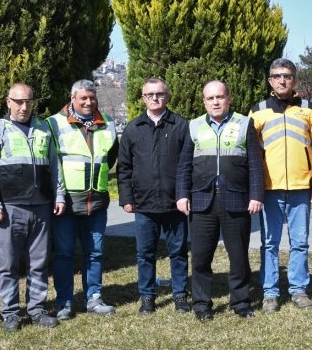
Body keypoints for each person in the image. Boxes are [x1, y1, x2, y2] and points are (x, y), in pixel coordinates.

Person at [176, 80, 264, 321]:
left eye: (220, 97)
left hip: (236, 200)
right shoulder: (193, 126)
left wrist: (256, 195)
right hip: (202, 201)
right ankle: (202, 304)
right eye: (210, 98)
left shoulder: (245, 123)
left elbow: (255, 164)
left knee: (239, 257)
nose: (215, 101)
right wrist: (182, 194)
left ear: (229, 98)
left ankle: (241, 302)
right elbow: (184, 164)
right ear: (204, 101)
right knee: (201, 258)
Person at [248, 58, 312, 313]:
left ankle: (298, 289)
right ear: (270, 80)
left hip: (301, 187)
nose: (282, 80)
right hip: (269, 190)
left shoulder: (309, 109)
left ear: (295, 80)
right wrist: (255, 188)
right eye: (277, 76)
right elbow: (250, 155)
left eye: (287, 76)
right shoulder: (258, 110)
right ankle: (270, 293)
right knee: (269, 243)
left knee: (300, 242)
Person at [0, 83, 60, 331]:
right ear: (8, 102)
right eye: (18, 102)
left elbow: (54, 166)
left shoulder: (43, 128)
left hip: (41, 207)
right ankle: (11, 313)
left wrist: (59, 196)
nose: (24, 107)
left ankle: (37, 309)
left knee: (39, 263)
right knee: (8, 264)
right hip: (9, 209)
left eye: (28, 101)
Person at [117, 77, 190, 315]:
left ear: (167, 96)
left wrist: (184, 195)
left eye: (159, 94)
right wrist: (126, 198)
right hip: (144, 204)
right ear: (143, 98)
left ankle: (180, 294)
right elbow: (124, 167)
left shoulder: (181, 125)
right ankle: (147, 296)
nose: (155, 98)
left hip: (174, 204)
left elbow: (187, 165)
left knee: (178, 252)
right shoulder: (132, 128)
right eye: (150, 95)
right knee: (145, 254)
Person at [47, 80, 119, 319]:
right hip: (66, 204)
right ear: (72, 98)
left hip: (96, 202)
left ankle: (94, 298)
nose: (89, 102)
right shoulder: (54, 124)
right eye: (83, 98)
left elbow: (111, 156)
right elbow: (51, 163)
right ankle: (64, 302)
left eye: (92, 97)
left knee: (95, 254)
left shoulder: (108, 123)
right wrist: (58, 195)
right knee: (64, 255)